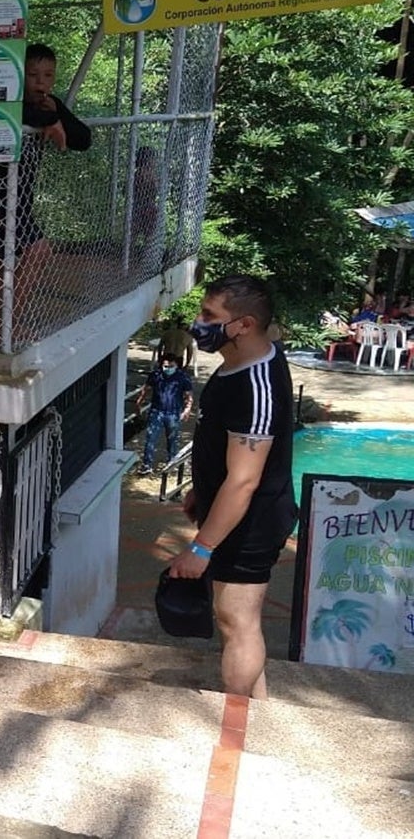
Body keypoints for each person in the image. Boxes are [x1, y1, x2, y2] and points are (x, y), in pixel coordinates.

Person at [168, 275, 296, 700]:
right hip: (232, 511)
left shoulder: (256, 388)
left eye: (209, 316)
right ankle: (258, 712)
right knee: (234, 619)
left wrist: (200, 548)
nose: (198, 322)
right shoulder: (242, 359)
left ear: (242, 325)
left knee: (236, 620)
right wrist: (203, 491)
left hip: (252, 523)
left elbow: (243, 481)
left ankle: (236, 722)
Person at [0, 43, 92, 346]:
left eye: (48, 75)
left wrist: (56, 117)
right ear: (18, 75)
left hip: (19, 198)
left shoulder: (50, 104)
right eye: (33, 75)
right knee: (29, 252)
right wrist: (49, 121)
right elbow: (21, 114)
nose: (40, 82)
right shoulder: (9, 100)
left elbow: (83, 139)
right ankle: (5, 324)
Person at [133, 352, 193, 474]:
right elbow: (146, 389)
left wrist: (187, 409)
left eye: (171, 366)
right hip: (156, 411)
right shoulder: (156, 375)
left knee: (172, 439)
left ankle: (172, 463)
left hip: (173, 413)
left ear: (176, 366)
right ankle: (147, 465)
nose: (168, 368)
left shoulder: (183, 378)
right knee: (151, 438)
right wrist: (139, 402)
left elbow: (188, 395)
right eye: (165, 366)